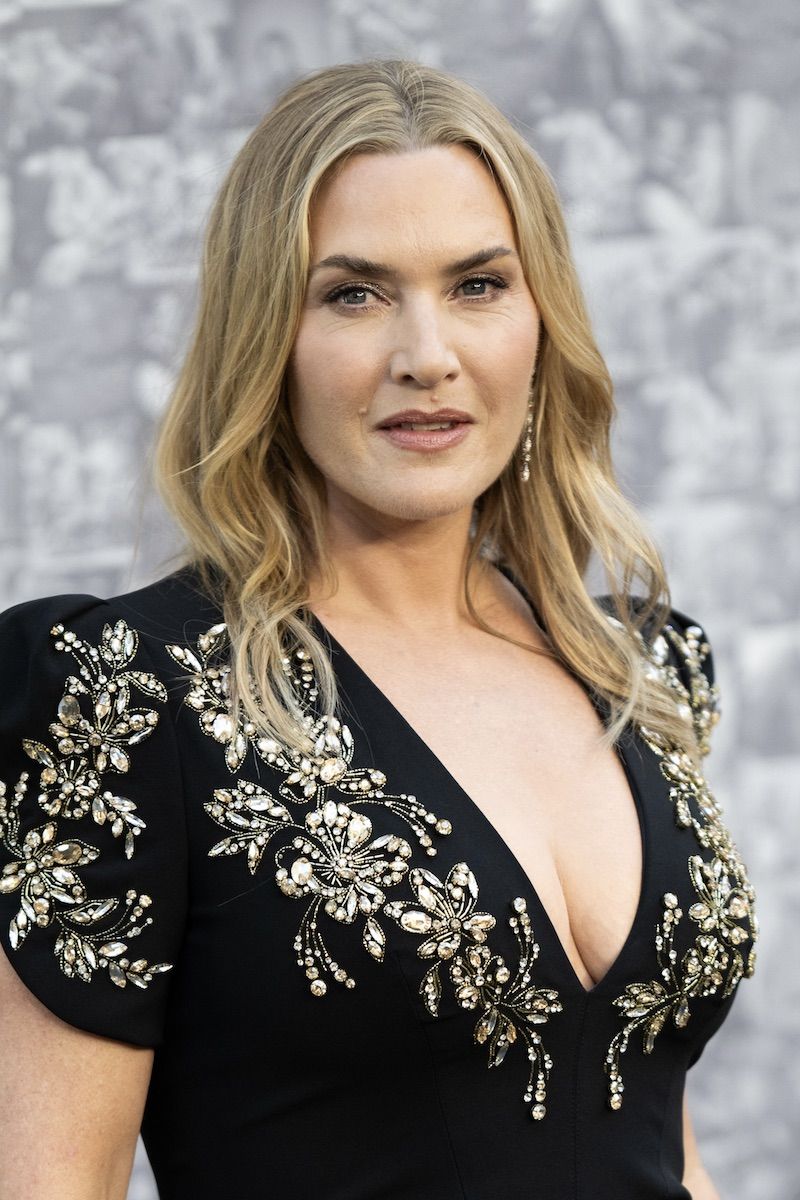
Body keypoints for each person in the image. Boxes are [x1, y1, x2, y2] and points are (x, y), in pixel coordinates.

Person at [0, 60, 758, 1200]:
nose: (427, 355)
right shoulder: (126, 695)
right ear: (265, 336)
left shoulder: (639, 668)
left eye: (478, 285)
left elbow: (659, 1142)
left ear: (539, 320)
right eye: (354, 294)